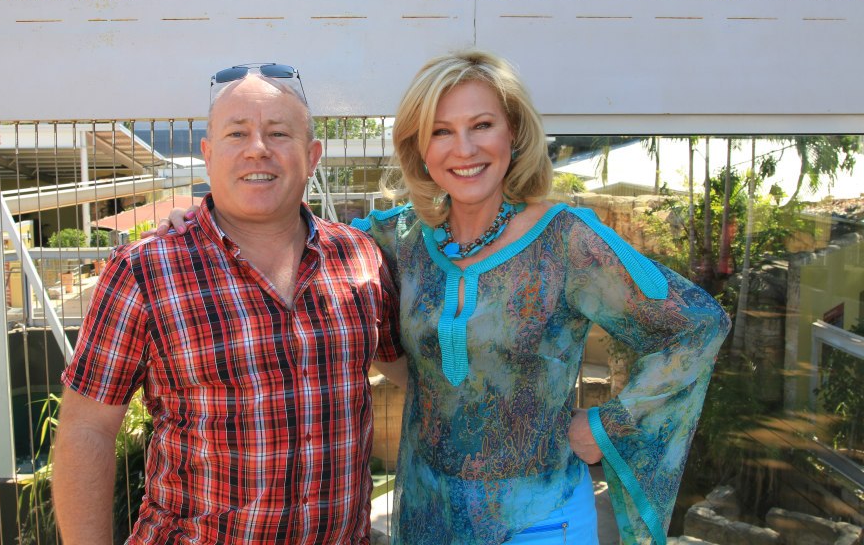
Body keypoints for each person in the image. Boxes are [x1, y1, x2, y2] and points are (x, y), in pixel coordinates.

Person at [158, 50, 730, 544]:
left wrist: (608, 423)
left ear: (513, 134)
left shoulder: (566, 241)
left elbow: (697, 324)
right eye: (440, 131)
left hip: (538, 520)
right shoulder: (398, 240)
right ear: (421, 148)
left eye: (481, 125)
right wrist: (210, 225)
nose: (464, 148)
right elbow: (299, 237)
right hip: (426, 517)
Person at [52, 64, 401, 544]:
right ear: (209, 154)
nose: (258, 148)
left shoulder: (360, 258)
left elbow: (415, 371)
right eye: (237, 133)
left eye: (278, 133)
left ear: (312, 156)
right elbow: (86, 430)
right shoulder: (145, 271)